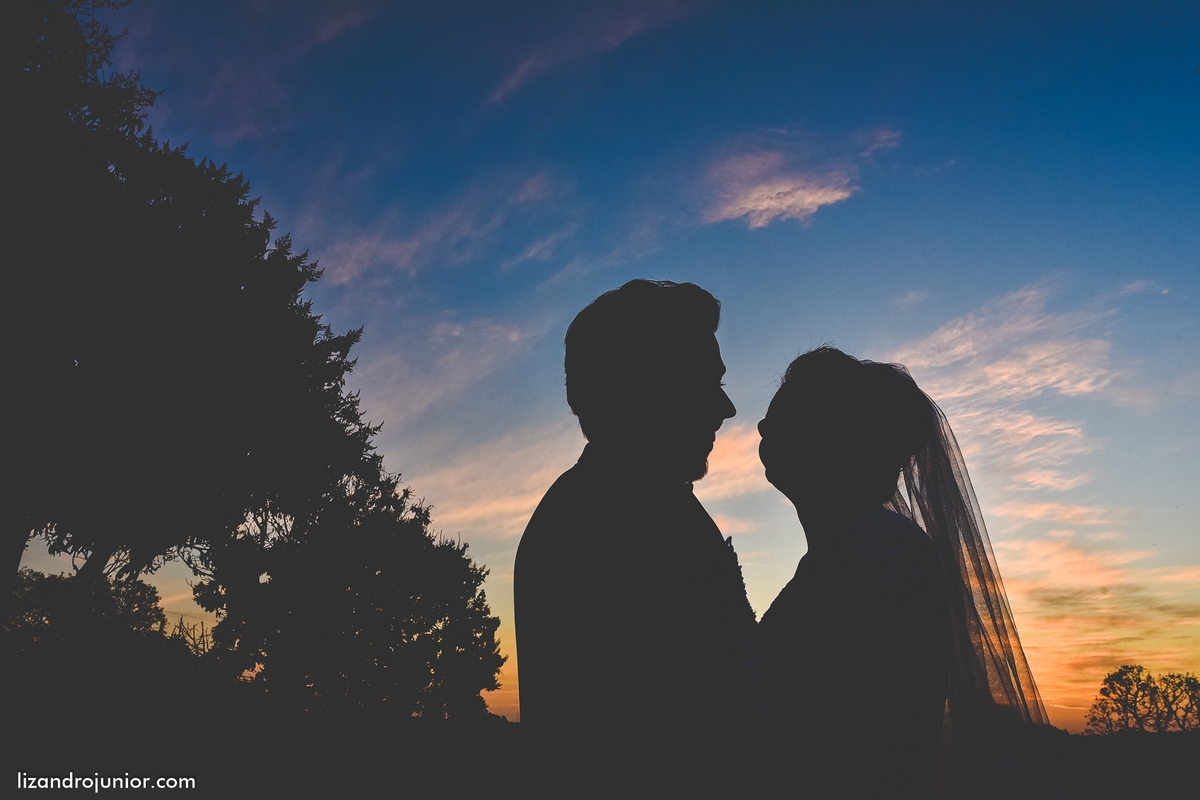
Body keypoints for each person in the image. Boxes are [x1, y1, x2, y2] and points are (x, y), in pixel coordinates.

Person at [755, 347, 1064, 799]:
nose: (762, 426)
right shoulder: (858, 549)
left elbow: (857, 744)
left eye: (788, 414)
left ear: (840, 441)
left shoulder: (879, 555)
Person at [514, 280, 760, 744]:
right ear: (648, 390)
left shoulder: (623, 504)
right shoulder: (629, 522)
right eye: (706, 384)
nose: (726, 408)